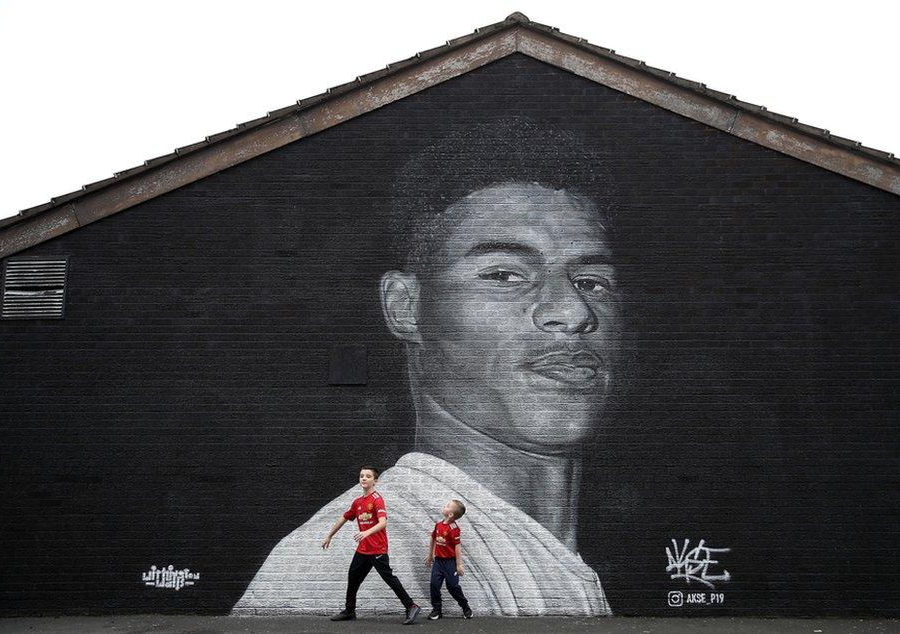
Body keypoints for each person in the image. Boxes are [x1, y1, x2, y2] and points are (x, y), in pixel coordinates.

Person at [232, 120, 623, 616]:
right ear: (406, 307)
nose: (573, 312)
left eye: (592, 281)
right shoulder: (349, 567)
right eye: (505, 275)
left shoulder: (557, 557)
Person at [323, 466, 421, 624]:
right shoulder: (358, 502)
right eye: (361, 476)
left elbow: (383, 523)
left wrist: (366, 533)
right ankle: (349, 610)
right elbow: (343, 518)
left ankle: (411, 606)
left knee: (388, 578)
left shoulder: (377, 499)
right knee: (353, 577)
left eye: (368, 476)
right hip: (363, 549)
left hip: (377, 548)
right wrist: (330, 535)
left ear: (375, 481)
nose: (363, 478)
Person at [425, 499, 472, 620]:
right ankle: (437, 610)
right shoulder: (439, 525)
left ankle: (465, 607)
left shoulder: (454, 528)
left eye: (447, 506)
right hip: (438, 562)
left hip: (450, 562)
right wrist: (430, 555)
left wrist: (459, 564)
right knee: (434, 585)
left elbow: (457, 546)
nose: (444, 506)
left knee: (452, 586)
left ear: (450, 514)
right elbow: (433, 539)